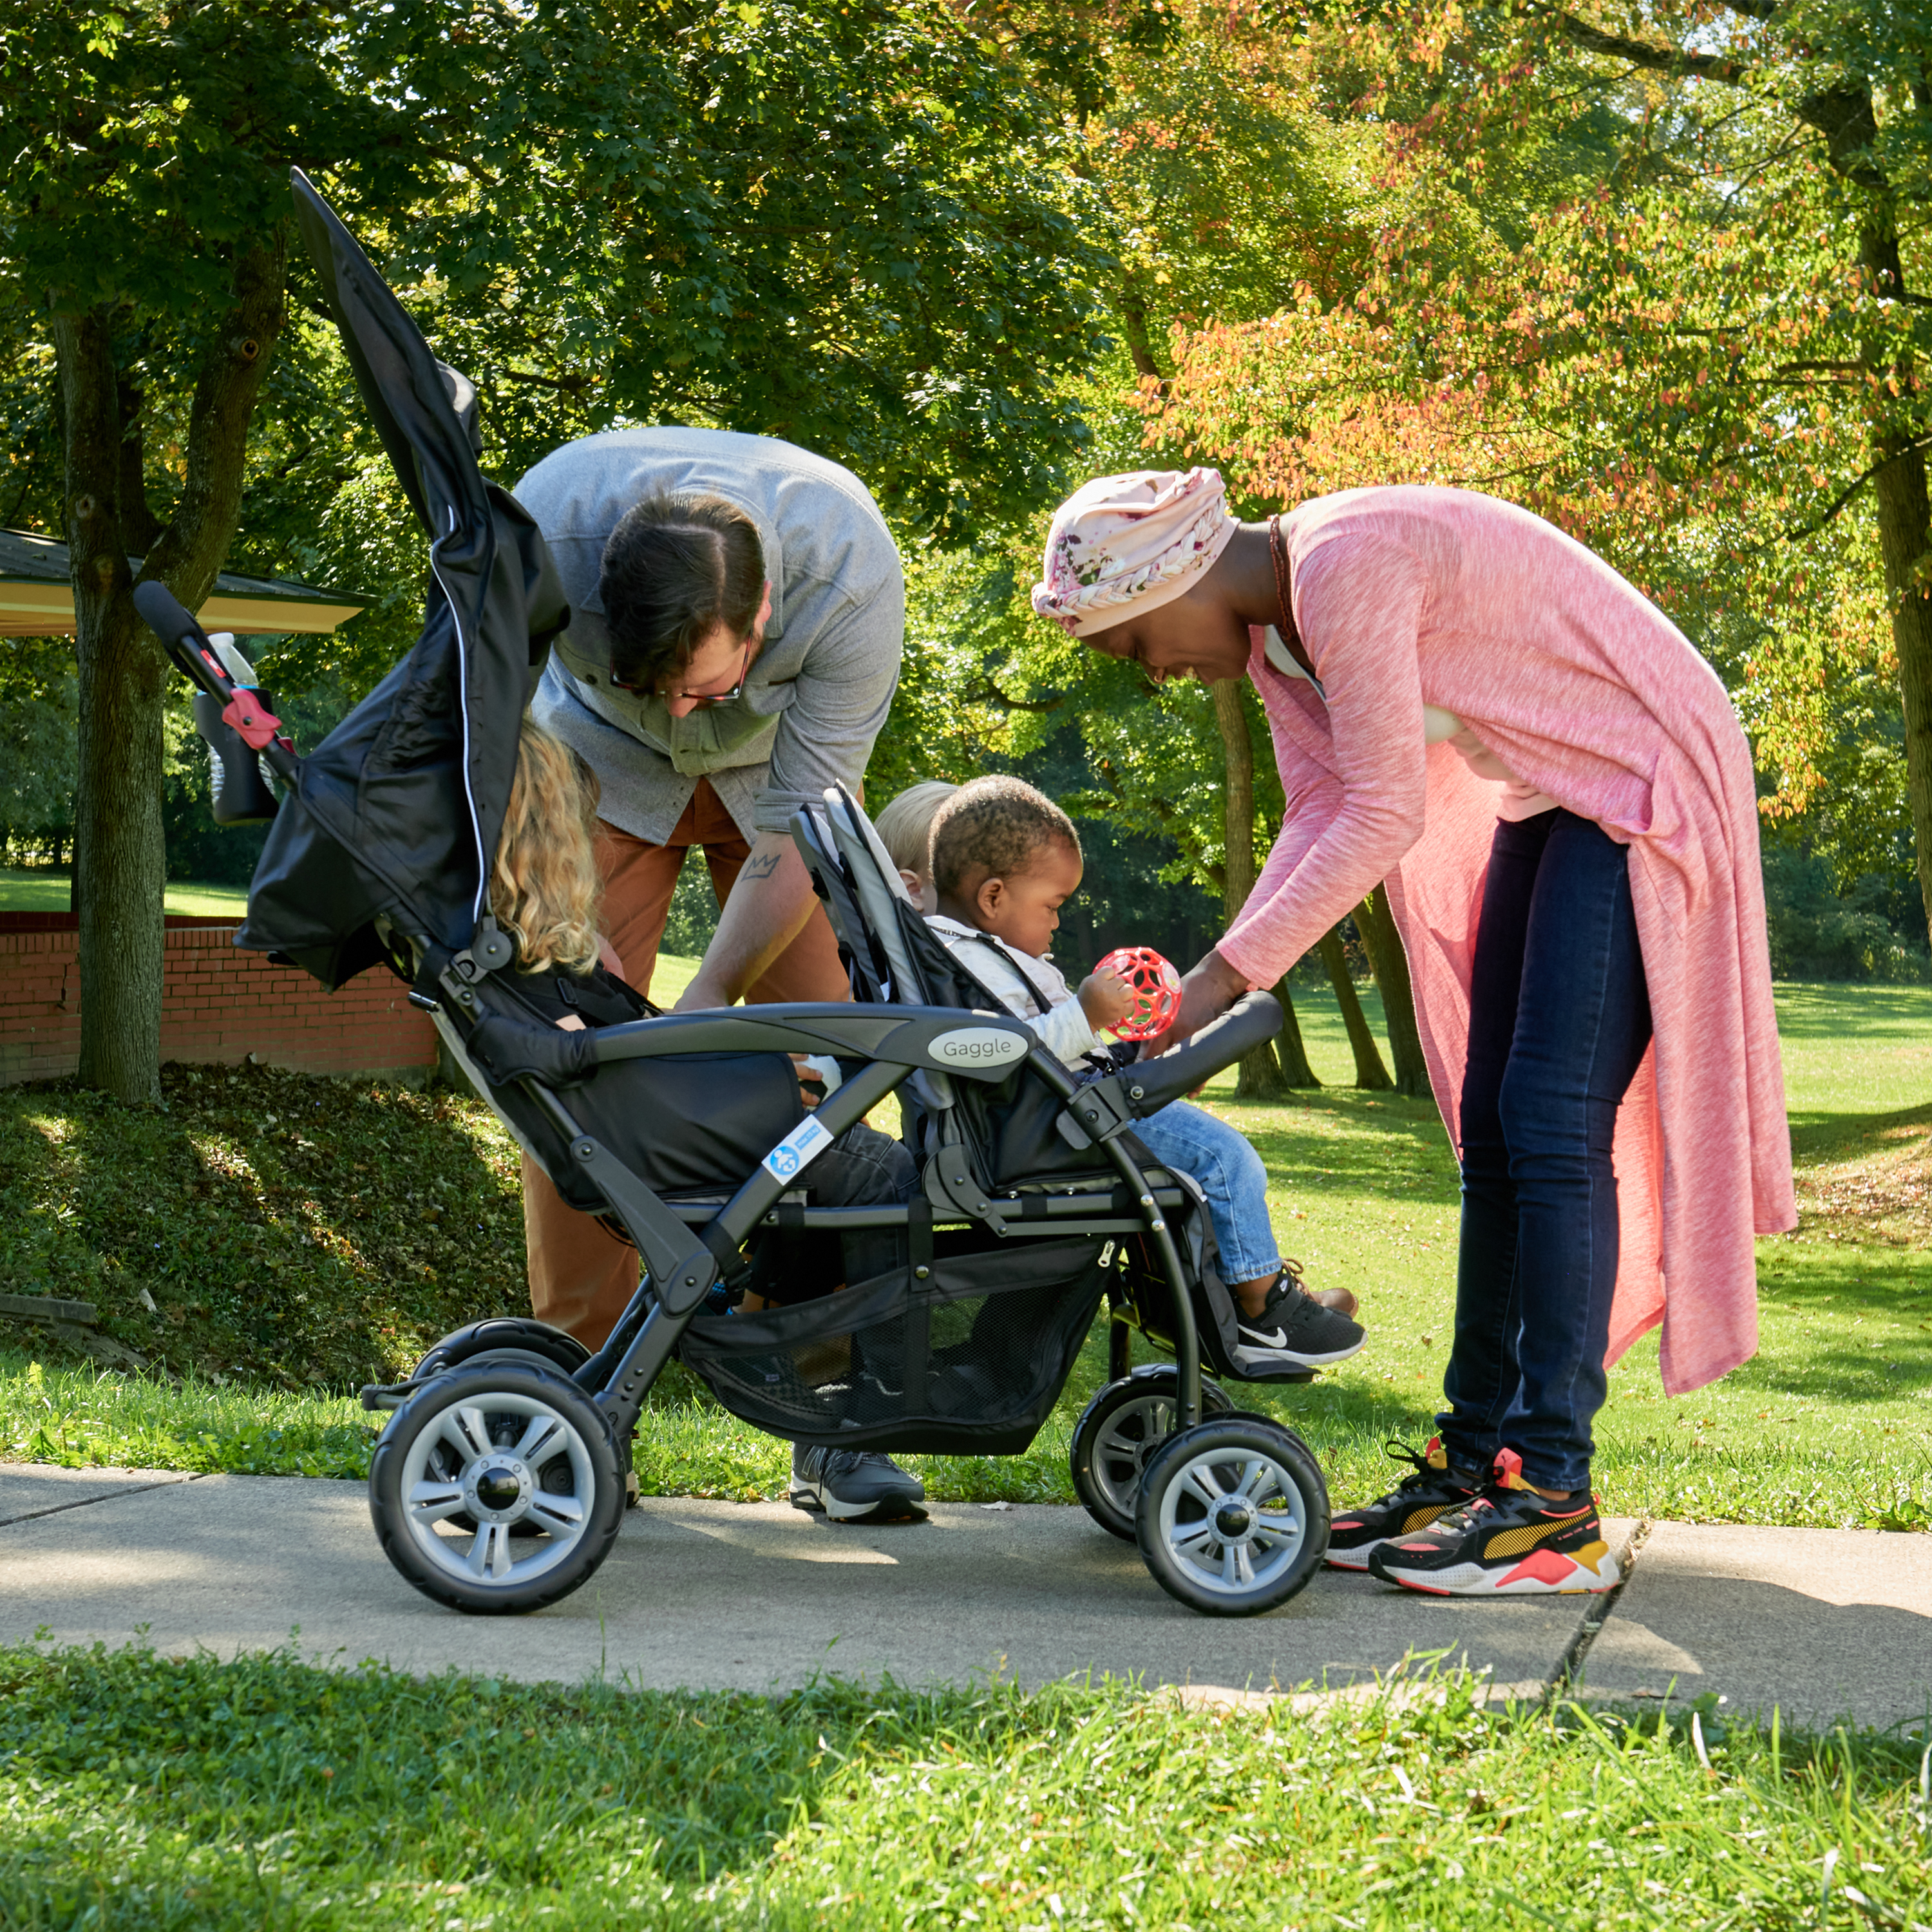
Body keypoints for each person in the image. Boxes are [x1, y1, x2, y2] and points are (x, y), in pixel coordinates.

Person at [1028, 469, 1795, 1596]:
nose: (1152, 671)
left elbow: (1390, 811)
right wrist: (1212, 984)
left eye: (1135, 641)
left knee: (1548, 1119)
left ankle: (1551, 1504)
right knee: (1492, 1124)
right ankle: (1474, 1458)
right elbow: (1323, 811)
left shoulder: (1344, 565)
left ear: (1178, 573)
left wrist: (1217, 978)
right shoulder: (1279, 644)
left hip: (1639, 780)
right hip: (1553, 795)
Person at [491, 716, 928, 1526]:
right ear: (567, 846)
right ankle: (623, 1411)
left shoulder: (516, 956)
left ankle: (824, 1410)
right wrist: (770, 1084)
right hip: (683, 1132)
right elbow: (617, 1071)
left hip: (772, 773)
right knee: (867, 1172)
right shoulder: (564, 968)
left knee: (827, 1041)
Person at [907, 773, 1367, 1375]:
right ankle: (1262, 1303)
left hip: (1063, 1109)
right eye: (1052, 906)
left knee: (1204, 1164)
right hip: (1060, 1123)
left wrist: (1111, 1043)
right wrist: (1084, 1014)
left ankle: (1239, 1287)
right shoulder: (968, 959)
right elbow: (998, 1052)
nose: (1056, 925)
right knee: (1225, 1160)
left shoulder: (969, 950)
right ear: (993, 897)